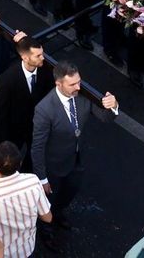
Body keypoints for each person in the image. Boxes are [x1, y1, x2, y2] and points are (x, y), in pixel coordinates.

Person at [30, 62, 119, 233]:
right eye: (72, 84)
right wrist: (42, 178)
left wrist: (113, 106)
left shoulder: (83, 95)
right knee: (47, 202)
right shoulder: (44, 109)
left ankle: (58, 213)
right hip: (54, 166)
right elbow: (37, 147)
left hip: (76, 160)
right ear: (59, 84)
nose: (78, 87)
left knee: (69, 192)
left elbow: (105, 118)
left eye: (79, 81)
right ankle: (45, 230)